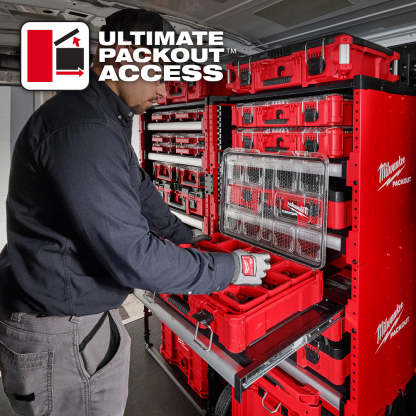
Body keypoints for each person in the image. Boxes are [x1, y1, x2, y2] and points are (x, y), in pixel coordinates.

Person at [0, 8, 270, 416]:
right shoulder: (85, 128)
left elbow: (141, 190)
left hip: (73, 317)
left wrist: (189, 239)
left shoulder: (101, 116)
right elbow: (134, 258)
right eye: (158, 74)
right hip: (61, 334)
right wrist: (231, 269)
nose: (164, 91)